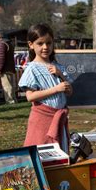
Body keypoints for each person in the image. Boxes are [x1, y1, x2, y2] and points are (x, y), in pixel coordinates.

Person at [18, 24, 73, 152]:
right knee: (42, 151)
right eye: (40, 43)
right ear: (31, 45)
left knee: (60, 152)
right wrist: (55, 89)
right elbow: (30, 97)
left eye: (48, 43)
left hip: (59, 118)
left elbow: (70, 92)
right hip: (42, 119)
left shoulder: (58, 67)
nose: (45, 47)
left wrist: (60, 75)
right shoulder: (32, 69)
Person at [0, 32, 18, 104]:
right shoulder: (9, 43)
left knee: (7, 86)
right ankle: (14, 100)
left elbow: (1, 58)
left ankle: (10, 101)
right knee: (11, 86)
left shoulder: (1, 45)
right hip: (10, 67)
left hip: (5, 69)